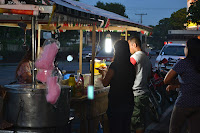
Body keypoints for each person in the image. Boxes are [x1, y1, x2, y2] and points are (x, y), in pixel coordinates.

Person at [164, 38, 200, 133]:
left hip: (184, 103)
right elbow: (193, 82)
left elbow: (166, 80)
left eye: (185, 47)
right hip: (198, 103)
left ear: (189, 49)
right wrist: (177, 85)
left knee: (174, 129)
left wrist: (175, 84)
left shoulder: (183, 63)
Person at [98, 40, 135, 133]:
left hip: (116, 102)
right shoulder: (131, 66)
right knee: (125, 128)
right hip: (129, 100)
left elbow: (105, 83)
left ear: (117, 51)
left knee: (115, 128)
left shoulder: (115, 65)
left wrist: (102, 75)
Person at [128, 36, 152, 133]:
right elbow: (149, 76)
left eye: (129, 46)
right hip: (144, 93)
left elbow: (128, 68)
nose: (128, 49)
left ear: (134, 45)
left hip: (136, 94)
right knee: (141, 121)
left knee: (137, 122)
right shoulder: (146, 57)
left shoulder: (136, 56)